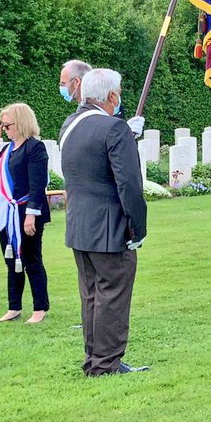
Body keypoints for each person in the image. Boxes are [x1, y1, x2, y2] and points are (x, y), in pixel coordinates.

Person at [59, 68, 149, 376]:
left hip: (79, 224)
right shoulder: (114, 128)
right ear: (111, 96)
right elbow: (129, 185)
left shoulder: (70, 124)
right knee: (112, 294)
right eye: (119, 92)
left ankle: (94, 359)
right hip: (110, 226)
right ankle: (107, 363)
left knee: (92, 295)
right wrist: (138, 227)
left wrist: (125, 134)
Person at [0, 103, 50, 325]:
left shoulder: (35, 147)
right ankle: (14, 307)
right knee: (11, 260)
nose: (4, 129)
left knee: (31, 260)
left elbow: (38, 184)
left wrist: (31, 215)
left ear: (20, 123)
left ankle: (39, 309)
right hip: (6, 213)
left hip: (26, 212)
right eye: (2, 125)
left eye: (7, 125)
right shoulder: (6, 149)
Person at [59, 59, 145, 137]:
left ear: (76, 82)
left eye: (63, 84)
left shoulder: (108, 101)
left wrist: (126, 132)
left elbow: (113, 131)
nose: (61, 88)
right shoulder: (81, 108)